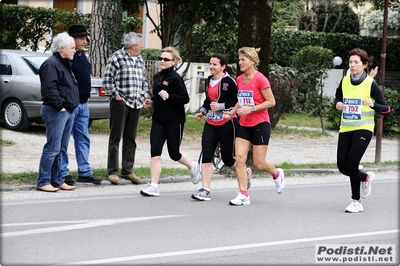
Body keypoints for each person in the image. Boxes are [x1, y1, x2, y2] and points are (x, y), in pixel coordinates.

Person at [224, 47, 285, 206]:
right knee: (240, 158)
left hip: (260, 123)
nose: (240, 62)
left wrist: (252, 109)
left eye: (243, 59)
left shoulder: (261, 79)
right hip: (244, 123)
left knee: (259, 163)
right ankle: (243, 194)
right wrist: (233, 112)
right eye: (239, 60)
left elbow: (271, 102)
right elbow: (241, 99)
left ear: (253, 61)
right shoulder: (239, 79)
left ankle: (277, 174)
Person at [335, 48, 390, 213]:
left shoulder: (370, 84)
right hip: (346, 127)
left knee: (352, 162)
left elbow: (386, 109)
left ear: (365, 65)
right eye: (350, 62)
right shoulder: (345, 81)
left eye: (356, 62)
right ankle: (365, 177)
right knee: (343, 167)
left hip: (364, 129)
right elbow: (338, 97)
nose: (352, 65)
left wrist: (373, 104)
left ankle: (356, 201)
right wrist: (338, 104)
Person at [140, 46, 200, 197]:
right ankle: (154, 186)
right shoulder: (157, 77)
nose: (162, 61)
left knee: (174, 153)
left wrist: (169, 97)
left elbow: (184, 99)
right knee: (155, 152)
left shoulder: (175, 78)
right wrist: (152, 101)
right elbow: (158, 95)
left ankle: (193, 166)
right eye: (161, 58)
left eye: (166, 59)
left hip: (174, 120)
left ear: (174, 62)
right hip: (159, 119)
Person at [191, 53, 252, 201]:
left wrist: (221, 106)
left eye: (214, 64)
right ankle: (205, 190)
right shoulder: (208, 80)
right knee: (206, 155)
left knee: (227, 158)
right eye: (210, 64)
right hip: (211, 123)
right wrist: (202, 111)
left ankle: (245, 172)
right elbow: (208, 100)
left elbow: (238, 100)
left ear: (223, 67)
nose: (211, 67)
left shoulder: (229, 82)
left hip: (227, 122)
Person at [36, 32, 79, 192]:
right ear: (62, 48)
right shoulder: (51, 64)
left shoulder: (64, 62)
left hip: (67, 111)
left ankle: (57, 179)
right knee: (52, 148)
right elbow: (49, 88)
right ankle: (43, 181)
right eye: (72, 47)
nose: (75, 50)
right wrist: (59, 106)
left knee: (61, 148)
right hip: (56, 111)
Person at [60, 24, 103, 186]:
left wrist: (86, 95)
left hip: (84, 104)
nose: (85, 41)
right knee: (63, 140)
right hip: (71, 105)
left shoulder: (81, 55)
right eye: (82, 39)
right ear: (73, 39)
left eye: (85, 38)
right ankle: (63, 172)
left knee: (83, 138)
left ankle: (84, 172)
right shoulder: (66, 57)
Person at [103, 32, 148, 185]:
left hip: (136, 103)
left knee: (131, 138)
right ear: (133, 45)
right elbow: (107, 79)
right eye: (141, 43)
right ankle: (113, 171)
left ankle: (128, 170)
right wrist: (116, 96)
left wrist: (143, 95)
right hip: (121, 103)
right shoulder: (117, 57)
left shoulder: (140, 59)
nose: (142, 46)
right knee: (115, 137)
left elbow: (143, 79)